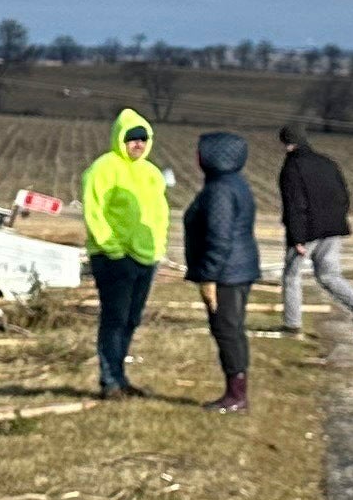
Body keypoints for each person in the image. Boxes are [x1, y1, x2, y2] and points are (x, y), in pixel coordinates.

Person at [78, 107, 169, 398]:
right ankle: (110, 381)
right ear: (120, 138)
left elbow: (159, 214)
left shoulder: (152, 173)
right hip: (114, 258)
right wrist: (112, 249)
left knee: (131, 319)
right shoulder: (102, 169)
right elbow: (94, 212)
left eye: (143, 138)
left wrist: (158, 248)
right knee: (115, 318)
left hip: (146, 257)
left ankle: (120, 376)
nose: (138, 144)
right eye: (132, 138)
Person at [181, 130, 260, 412]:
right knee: (231, 329)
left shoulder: (219, 190)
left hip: (227, 273)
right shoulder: (233, 183)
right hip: (237, 268)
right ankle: (236, 391)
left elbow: (219, 236)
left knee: (227, 330)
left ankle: (236, 395)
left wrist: (209, 276)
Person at [274, 125, 353, 338]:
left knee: (291, 276)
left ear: (287, 144)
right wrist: (335, 220)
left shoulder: (292, 167)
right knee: (329, 275)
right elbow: (343, 196)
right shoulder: (328, 163)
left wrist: (297, 238)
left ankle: (292, 325)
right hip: (333, 228)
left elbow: (294, 204)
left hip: (307, 231)